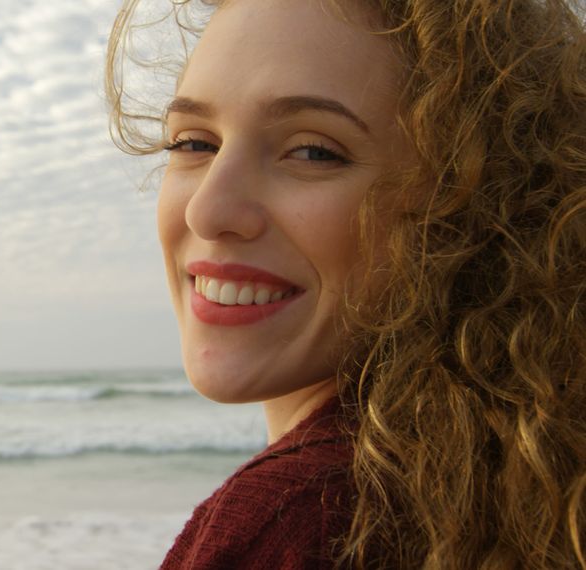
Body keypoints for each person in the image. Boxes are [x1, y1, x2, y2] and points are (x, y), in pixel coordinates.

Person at [106, 0, 585, 567]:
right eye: (193, 143)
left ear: (472, 202)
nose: (207, 211)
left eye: (313, 151)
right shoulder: (513, 488)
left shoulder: (305, 519)